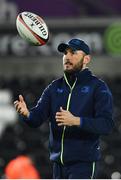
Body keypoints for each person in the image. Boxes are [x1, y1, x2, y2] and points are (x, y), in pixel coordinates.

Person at [14, 38, 114, 179]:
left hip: (83, 164)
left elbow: (107, 125)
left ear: (86, 59)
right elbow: (36, 119)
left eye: (73, 52)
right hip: (58, 165)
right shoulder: (54, 87)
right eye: (65, 53)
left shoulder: (98, 87)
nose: (67, 57)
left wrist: (76, 121)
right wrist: (26, 114)